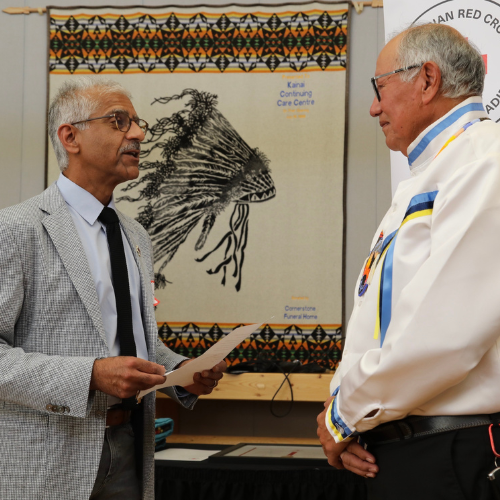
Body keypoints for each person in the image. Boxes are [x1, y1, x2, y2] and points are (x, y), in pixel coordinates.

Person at [0, 77, 226, 500]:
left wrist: (183, 374)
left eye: (138, 124)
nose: (139, 134)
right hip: (47, 463)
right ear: (71, 137)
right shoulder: (15, 230)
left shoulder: (134, 234)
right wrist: (89, 375)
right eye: (119, 121)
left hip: (130, 450)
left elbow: (130, 341)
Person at [317, 23, 500, 499]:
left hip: (450, 451)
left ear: (427, 80)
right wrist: (347, 413)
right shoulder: (433, 171)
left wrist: (343, 416)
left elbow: (446, 332)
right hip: (405, 447)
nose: (374, 106)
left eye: (379, 88)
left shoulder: (485, 161)